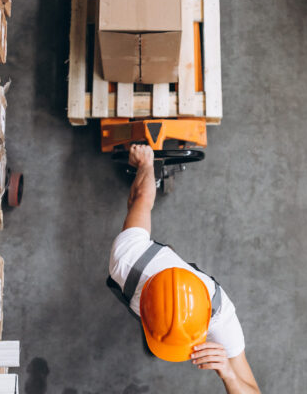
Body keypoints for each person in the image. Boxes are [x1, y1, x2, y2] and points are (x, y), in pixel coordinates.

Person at [107, 145, 260, 394]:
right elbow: (141, 201)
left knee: (136, 216)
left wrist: (229, 374)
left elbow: (141, 201)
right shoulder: (127, 260)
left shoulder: (221, 318)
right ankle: (158, 333)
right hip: (145, 276)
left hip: (148, 281)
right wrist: (146, 165)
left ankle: (160, 333)